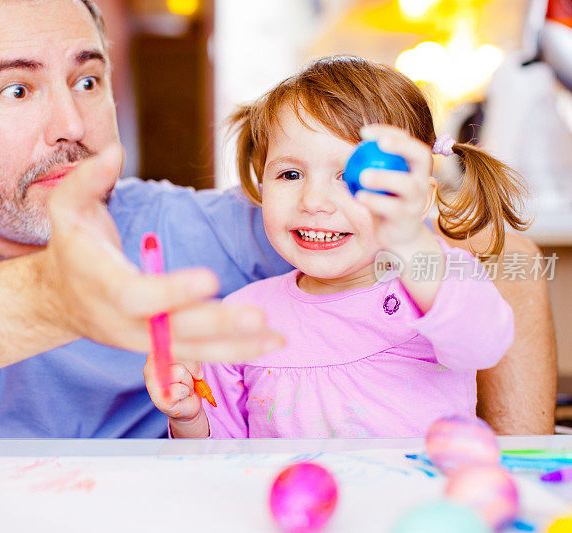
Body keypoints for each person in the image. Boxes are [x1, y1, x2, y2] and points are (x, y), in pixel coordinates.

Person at [0, 0, 554, 437]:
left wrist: (511, 484)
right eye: (18, 91)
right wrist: (50, 299)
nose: (73, 122)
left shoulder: (185, 229)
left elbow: (502, 247)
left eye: (87, 78)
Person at [144, 56, 525, 438]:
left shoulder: (436, 283)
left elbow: (484, 344)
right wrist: (187, 416)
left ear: (417, 199)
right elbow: (220, 455)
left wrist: (410, 239)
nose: (313, 201)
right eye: (290, 174)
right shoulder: (241, 318)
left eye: (349, 177)